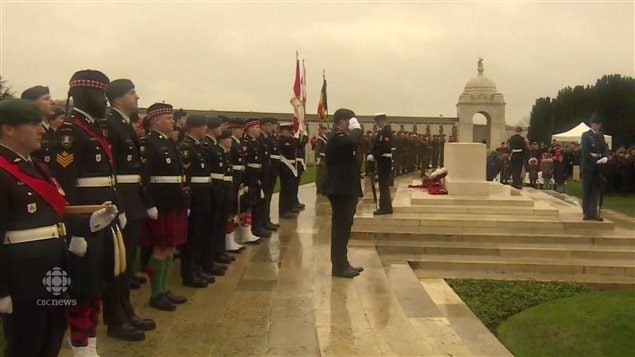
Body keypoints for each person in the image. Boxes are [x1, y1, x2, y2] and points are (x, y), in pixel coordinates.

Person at [0, 98, 117, 357]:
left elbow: (56, 214)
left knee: (51, 338)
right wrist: (2, 290)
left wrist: (91, 220)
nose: (42, 130)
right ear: (8, 129)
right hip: (22, 276)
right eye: (33, 124)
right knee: (26, 344)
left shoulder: (37, 166)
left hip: (54, 268)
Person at [50, 70, 132, 354]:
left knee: (98, 282)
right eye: (101, 95)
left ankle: (91, 340)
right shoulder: (71, 132)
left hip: (102, 219)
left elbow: (108, 177)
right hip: (84, 224)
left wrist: (117, 207)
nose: (106, 101)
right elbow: (64, 186)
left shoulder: (93, 129)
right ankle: (80, 342)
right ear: (85, 95)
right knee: (82, 287)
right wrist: (74, 229)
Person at [103, 79, 156, 339]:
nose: (137, 97)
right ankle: (116, 319)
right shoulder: (111, 124)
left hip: (133, 197)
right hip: (122, 198)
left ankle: (126, 312)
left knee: (126, 263)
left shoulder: (122, 124)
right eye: (132, 93)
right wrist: (119, 204)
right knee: (119, 263)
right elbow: (110, 169)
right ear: (116, 99)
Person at [139, 103, 189, 311]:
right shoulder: (148, 143)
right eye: (168, 118)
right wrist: (149, 204)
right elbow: (144, 177)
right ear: (156, 120)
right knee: (160, 248)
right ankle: (155, 293)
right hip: (161, 203)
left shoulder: (168, 142)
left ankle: (164, 288)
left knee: (170, 247)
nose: (173, 121)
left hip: (174, 201)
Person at [323, 108, 364, 279]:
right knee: (340, 229)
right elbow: (348, 143)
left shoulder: (343, 136)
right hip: (340, 189)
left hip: (346, 188)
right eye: (350, 120)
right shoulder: (337, 136)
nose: (351, 124)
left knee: (345, 227)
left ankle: (343, 263)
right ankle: (338, 267)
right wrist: (357, 130)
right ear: (342, 121)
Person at [178, 114, 215, 288]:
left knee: (201, 233)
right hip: (195, 196)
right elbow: (187, 177)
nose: (206, 129)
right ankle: (189, 273)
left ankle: (198, 268)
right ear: (195, 127)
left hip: (204, 194)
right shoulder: (187, 147)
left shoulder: (200, 146)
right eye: (204, 126)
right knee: (192, 236)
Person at [202, 116, 236, 276]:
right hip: (214, 189)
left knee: (219, 223)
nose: (222, 129)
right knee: (211, 226)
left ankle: (217, 253)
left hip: (221, 188)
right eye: (220, 127)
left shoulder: (215, 146)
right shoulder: (208, 146)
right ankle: (210, 258)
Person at [228, 118, 261, 244]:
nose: (243, 132)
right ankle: (233, 238)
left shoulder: (239, 143)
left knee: (246, 205)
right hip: (237, 178)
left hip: (244, 177)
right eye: (241, 129)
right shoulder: (233, 144)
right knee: (235, 208)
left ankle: (247, 232)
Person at [242, 118, 271, 238]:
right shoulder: (246, 143)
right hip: (250, 176)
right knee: (251, 203)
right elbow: (245, 162)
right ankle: (253, 228)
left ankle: (258, 227)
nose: (259, 129)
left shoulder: (257, 142)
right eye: (256, 127)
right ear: (249, 128)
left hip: (258, 175)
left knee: (259, 202)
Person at [580, 114, 608, 221]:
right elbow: (585, 151)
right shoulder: (586, 135)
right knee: (587, 189)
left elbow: (604, 147)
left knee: (594, 189)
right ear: (591, 124)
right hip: (588, 165)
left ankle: (594, 212)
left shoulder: (600, 135)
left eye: (599, 124)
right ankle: (587, 212)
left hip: (598, 165)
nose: (597, 126)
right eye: (595, 124)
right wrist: (595, 161)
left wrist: (605, 156)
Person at [21, 85, 56, 167]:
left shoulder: (51, 130)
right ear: (31, 104)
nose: (53, 102)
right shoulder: (27, 131)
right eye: (46, 99)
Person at [368, 113, 393, 215]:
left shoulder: (386, 131)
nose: (377, 123)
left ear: (383, 120)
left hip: (384, 160)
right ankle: (385, 207)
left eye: (378, 121)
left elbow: (384, 147)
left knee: (383, 185)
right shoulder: (382, 131)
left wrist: (374, 155)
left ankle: (385, 208)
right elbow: (377, 145)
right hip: (381, 159)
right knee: (382, 185)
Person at [260, 117, 280, 231]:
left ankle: (266, 219)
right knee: (264, 198)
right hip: (266, 172)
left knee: (268, 197)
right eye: (268, 125)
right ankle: (263, 221)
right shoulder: (262, 139)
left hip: (271, 171)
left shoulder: (270, 138)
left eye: (272, 125)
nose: (271, 127)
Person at [278, 124, 299, 219]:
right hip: (285, 167)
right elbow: (287, 149)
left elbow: (297, 145)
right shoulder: (281, 140)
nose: (288, 132)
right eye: (286, 130)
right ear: (282, 131)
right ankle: (283, 210)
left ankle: (289, 207)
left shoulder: (291, 140)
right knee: (285, 190)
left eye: (289, 130)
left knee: (290, 188)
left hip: (291, 167)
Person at [314, 125, 328, 195]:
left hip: (325, 159)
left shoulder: (325, 138)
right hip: (322, 159)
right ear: (321, 130)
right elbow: (317, 151)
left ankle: (324, 188)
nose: (326, 131)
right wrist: (318, 161)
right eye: (324, 130)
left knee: (325, 174)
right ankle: (319, 189)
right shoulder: (320, 139)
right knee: (320, 175)